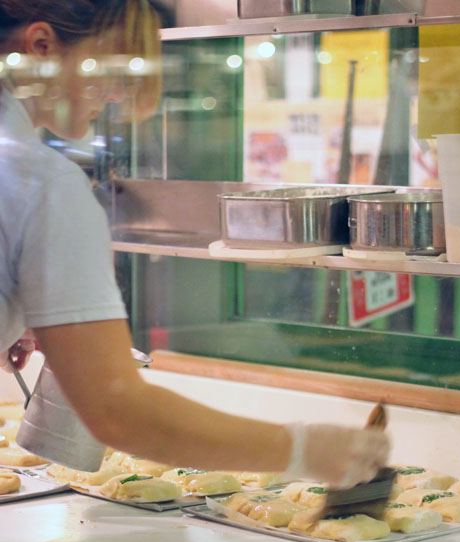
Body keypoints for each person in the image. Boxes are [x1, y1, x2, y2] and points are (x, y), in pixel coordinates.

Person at [0, 0, 389, 485]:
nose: (120, 92)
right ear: (40, 47)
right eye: (113, 65)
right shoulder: (43, 185)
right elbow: (118, 410)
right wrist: (307, 450)